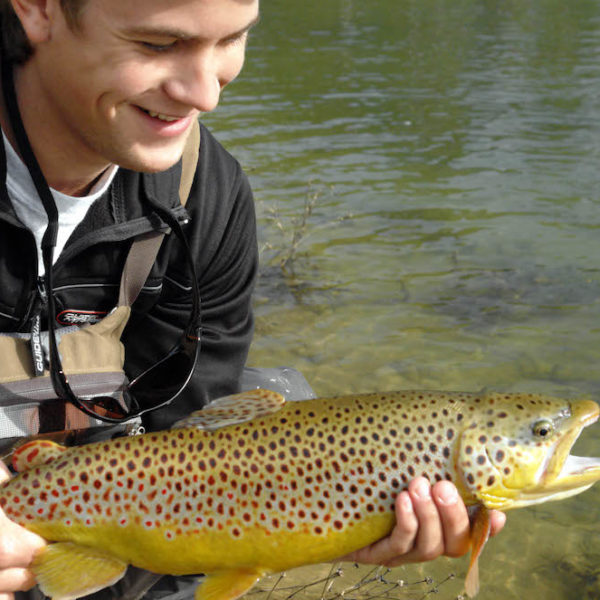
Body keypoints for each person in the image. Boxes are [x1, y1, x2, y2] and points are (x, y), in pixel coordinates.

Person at [0, 0, 506, 598]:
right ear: (36, 9)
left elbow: (186, 454)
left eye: (233, 39)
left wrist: (323, 526)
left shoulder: (205, 195)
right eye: (159, 44)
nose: (204, 94)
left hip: (80, 516)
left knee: (276, 402)